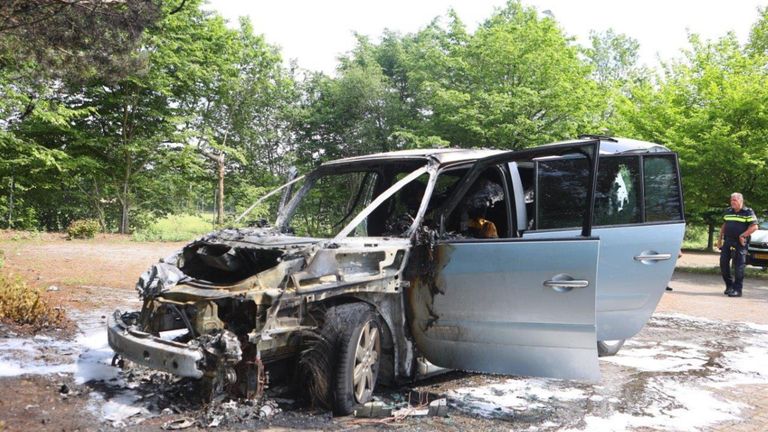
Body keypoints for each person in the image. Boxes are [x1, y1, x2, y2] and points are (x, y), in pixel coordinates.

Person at [717, 192, 758, 297]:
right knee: (723, 264)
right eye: (731, 200)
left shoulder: (748, 212)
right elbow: (724, 225)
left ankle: (737, 290)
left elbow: (754, 227)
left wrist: (743, 235)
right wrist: (719, 239)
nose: (732, 202)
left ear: (741, 201)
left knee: (739, 267)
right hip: (728, 241)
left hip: (740, 243)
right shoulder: (728, 211)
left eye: (734, 200)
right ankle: (729, 286)